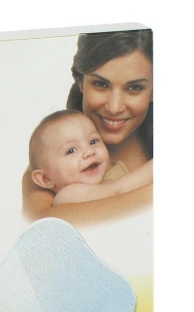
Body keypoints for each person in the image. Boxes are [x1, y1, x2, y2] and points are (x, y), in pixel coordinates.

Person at [22, 30, 153, 224]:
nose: (114, 107)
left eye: (134, 87)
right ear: (80, 82)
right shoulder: (50, 159)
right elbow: (40, 222)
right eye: (101, 84)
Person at [28, 109, 153, 206]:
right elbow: (117, 192)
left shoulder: (113, 174)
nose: (89, 151)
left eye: (93, 141)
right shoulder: (67, 196)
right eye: (71, 150)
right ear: (45, 179)